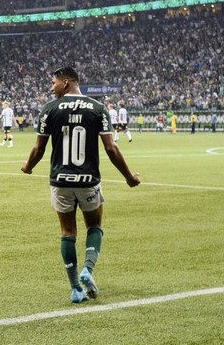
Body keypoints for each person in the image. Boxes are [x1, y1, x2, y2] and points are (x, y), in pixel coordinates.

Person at [20, 66, 140, 304]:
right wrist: (128, 176)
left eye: (54, 83)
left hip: (60, 180)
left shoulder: (49, 109)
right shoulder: (98, 108)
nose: (52, 87)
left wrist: (28, 166)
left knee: (67, 232)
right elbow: (110, 148)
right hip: (88, 180)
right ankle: (88, 269)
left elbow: (38, 149)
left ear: (66, 82)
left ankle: (75, 288)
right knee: (94, 225)